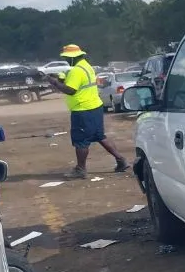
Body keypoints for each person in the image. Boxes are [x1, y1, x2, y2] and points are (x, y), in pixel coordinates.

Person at [46, 44, 128, 179]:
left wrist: (54, 82)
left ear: (73, 58)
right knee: (99, 136)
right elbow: (77, 84)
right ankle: (121, 160)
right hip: (95, 107)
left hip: (83, 109)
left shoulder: (76, 71)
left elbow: (70, 90)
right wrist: (61, 79)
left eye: (67, 58)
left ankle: (81, 169)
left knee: (81, 140)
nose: (67, 61)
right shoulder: (87, 67)